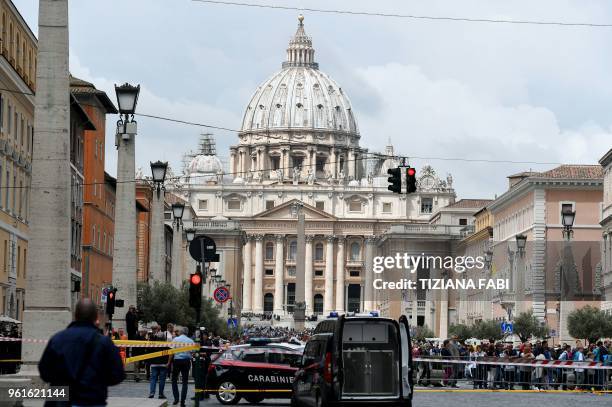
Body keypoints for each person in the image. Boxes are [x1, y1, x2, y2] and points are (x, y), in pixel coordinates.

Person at [39, 299, 125, 406]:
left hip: (62, 400)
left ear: (75, 315)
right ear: (96, 317)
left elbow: (44, 372)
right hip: (92, 399)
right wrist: (98, 381)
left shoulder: (57, 339)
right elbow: (118, 374)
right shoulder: (104, 342)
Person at [169, 327, 195, 406]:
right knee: (185, 382)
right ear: (187, 333)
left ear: (181, 332)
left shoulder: (175, 339)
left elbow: (171, 352)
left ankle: (176, 399)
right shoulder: (191, 341)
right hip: (186, 361)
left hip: (177, 361)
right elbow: (193, 353)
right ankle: (182, 402)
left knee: (174, 380)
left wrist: (169, 362)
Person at [148, 325, 169, 399]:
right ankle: (160, 394)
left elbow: (149, 351)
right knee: (162, 379)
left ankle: (152, 393)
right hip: (163, 362)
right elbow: (167, 351)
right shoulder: (164, 341)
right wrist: (167, 362)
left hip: (154, 362)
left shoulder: (151, 341)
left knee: (153, 378)